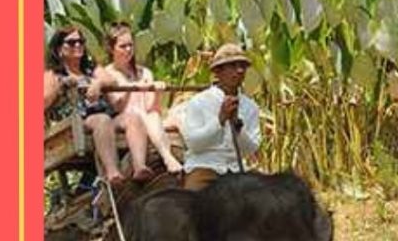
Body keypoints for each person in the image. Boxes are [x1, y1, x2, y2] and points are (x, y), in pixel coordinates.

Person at [43, 25, 144, 186]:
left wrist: (97, 83)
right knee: (101, 120)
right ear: (60, 49)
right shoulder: (53, 74)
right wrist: (61, 86)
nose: (77, 46)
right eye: (71, 42)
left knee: (132, 118)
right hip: (75, 122)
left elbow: (112, 80)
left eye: (80, 42)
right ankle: (112, 171)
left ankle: (139, 166)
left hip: (105, 114)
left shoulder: (90, 68)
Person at [103, 22, 183, 176]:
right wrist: (132, 88)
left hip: (147, 119)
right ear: (111, 48)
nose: (128, 50)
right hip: (121, 121)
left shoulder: (144, 72)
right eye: (123, 46)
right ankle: (152, 162)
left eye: (130, 45)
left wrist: (157, 92)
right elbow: (117, 107)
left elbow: (152, 108)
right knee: (137, 114)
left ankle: (169, 157)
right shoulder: (107, 74)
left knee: (157, 115)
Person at [181, 43, 261, 191]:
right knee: (192, 204)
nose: (239, 71)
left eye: (242, 66)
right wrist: (220, 120)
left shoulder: (251, 107)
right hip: (205, 168)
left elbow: (251, 149)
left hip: (237, 170)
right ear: (218, 71)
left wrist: (237, 125)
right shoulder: (199, 102)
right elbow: (193, 144)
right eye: (232, 66)